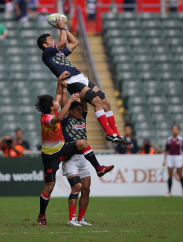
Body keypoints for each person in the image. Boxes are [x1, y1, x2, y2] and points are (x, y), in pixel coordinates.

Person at [35, 72, 115, 226]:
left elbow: (59, 94)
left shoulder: (54, 108)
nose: (55, 103)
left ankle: (98, 168)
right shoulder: (47, 118)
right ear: (50, 107)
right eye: (53, 103)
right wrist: (71, 99)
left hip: (62, 149)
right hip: (50, 155)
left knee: (83, 143)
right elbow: (59, 117)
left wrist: (60, 81)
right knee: (49, 187)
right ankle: (42, 215)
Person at [37, 18, 129, 145]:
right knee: (97, 101)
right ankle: (109, 134)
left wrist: (63, 29)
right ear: (45, 45)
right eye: (50, 40)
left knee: (105, 102)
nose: (53, 40)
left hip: (81, 78)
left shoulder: (59, 53)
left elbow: (74, 42)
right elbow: (63, 41)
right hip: (72, 81)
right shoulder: (47, 54)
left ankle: (116, 134)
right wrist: (62, 27)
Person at [61, 82, 113, 226]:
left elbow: (84, 100)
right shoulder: (66, 119)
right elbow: (64, 103)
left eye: (80, 109)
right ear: (70, 111)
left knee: (86, 189)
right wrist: (65, 88)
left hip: (82, 158)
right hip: (70, 156)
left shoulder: (82, 117)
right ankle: (71, 219)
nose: (80, 111)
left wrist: (83, 86)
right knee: (76, 187)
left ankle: (81, 218)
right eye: (77, 110)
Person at [163, 125, 183, 196]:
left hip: (178, 157)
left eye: (176, 129)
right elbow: (166, 150)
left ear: (178, 130)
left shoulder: (181, 139)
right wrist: (164, 160)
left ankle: (182, 191)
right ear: (171, 130)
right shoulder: (168, 139)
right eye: (173, 129)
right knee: (170, 174)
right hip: (170, 157)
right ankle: (169, 191)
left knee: (180, 174)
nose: (174, 130)